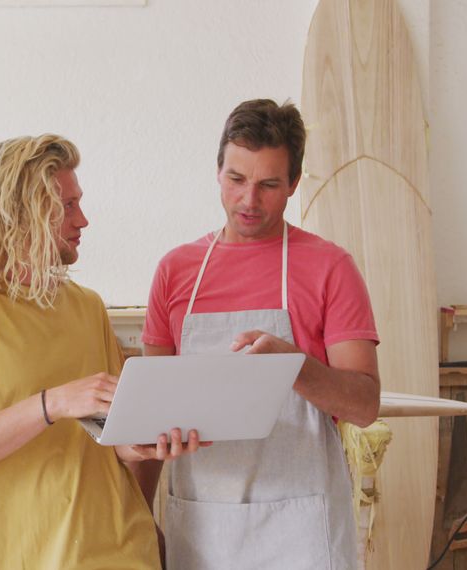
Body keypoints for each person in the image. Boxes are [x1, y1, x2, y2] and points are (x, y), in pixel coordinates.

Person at [0, 134, 201, 569]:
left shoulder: (86, 306)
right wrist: (52, 403)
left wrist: (144, 444)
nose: (82, 219)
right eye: (67, 205)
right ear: (19, 212)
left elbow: (106, 439)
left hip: (126, 554)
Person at [140, 100, 382, 569]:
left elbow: (365, 405)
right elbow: (153, 415)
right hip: (203, 527)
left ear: (293, 183)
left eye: (269, 185)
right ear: (218, 172)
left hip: (303, 530)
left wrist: (293, 368)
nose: (249, 201)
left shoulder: (330, 267)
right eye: (236, 180)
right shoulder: (175, 272)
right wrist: (139, 518)